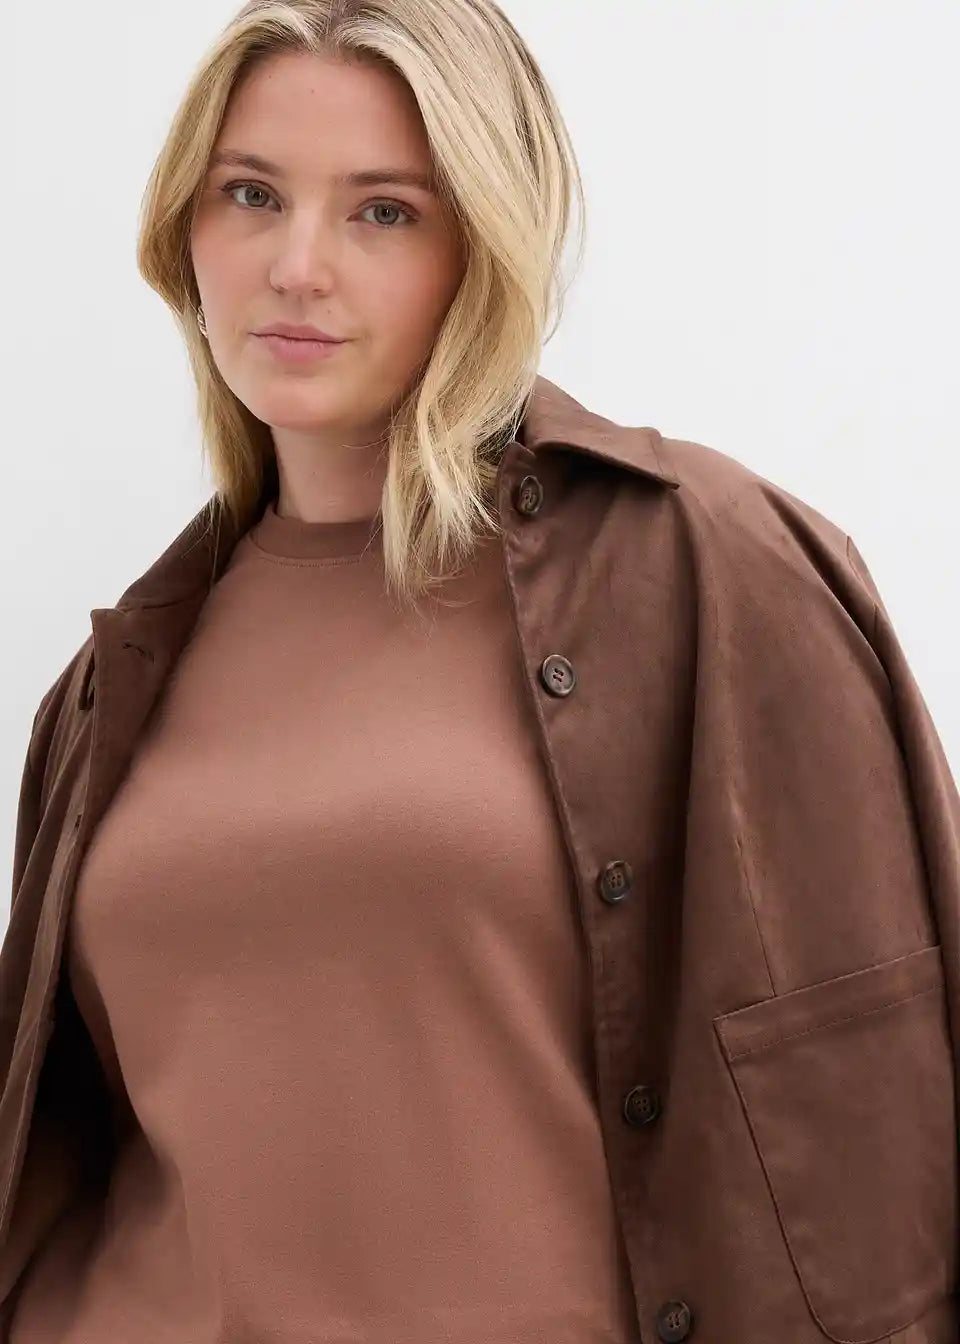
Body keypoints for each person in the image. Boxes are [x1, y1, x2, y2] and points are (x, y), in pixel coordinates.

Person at [4, 0, 960, 1341]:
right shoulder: (112, 685)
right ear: (185, 229)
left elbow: (878, 1113)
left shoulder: (704, 565)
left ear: (486, 244)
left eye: (383, 211)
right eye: (251, 194)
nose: (296, 266)